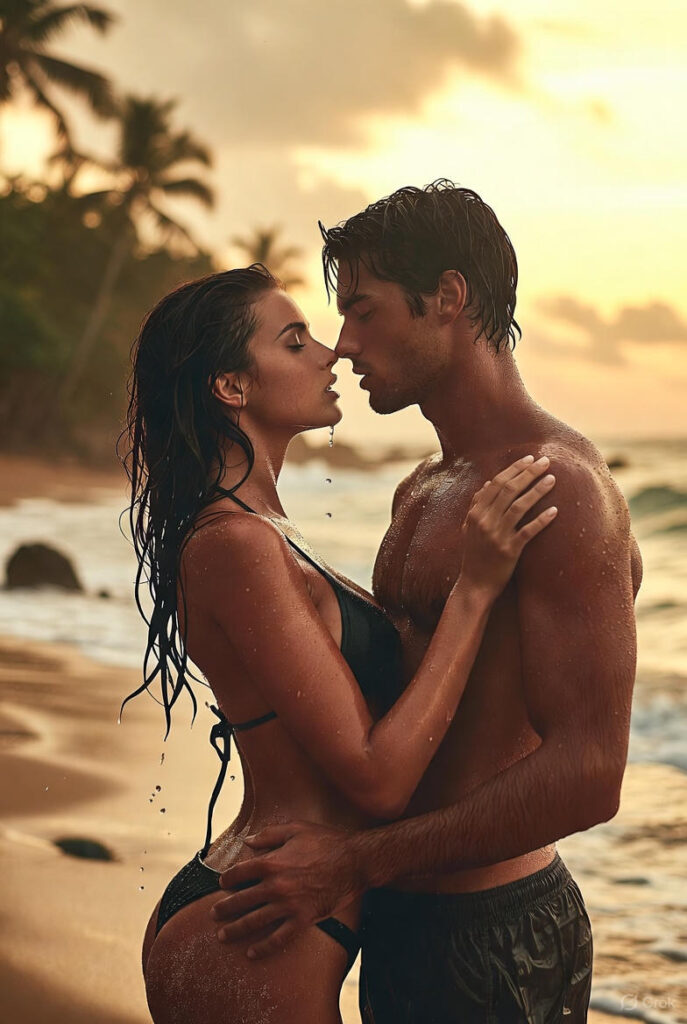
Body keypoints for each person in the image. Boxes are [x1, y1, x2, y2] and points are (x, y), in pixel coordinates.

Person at [211, 182, 644, 1023]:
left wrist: (355, 863)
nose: (344, 345)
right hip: (402, 910)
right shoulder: (423, 488)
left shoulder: (560, 491)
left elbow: (591, 774)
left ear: (447, 298)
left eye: (364, 312)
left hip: (493, 933)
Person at [121, 263, 559, 1024]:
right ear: (232, 387)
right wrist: (476, 589)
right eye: (295, 342)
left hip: (272, 896)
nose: (331, 353)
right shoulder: (236, 544)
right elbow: (375, 779)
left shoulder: (262, 531)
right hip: (266, 915)